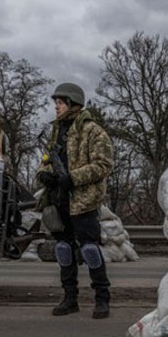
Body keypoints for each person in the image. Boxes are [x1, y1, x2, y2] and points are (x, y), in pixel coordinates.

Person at [36, 82, 114, 319]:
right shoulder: (55, 130)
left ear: (72, 104)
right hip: (59, 200)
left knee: (90, 250)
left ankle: (102, 299)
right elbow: (47, 158)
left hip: (83, 200)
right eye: (56, 103)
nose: (56, 107)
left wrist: (73, 178)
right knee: (63, 249)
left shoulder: (93, 131)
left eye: (60, 103)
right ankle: (70, 299)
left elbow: (103, 165)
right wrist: (43, 174)